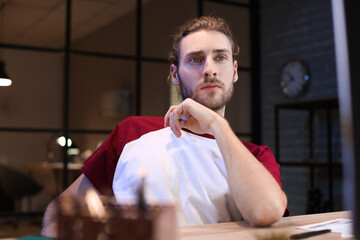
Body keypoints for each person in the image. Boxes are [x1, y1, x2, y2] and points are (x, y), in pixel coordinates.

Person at [41, 16, 287, 237]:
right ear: (175, 74)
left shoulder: (255, 155)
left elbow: (265, 212)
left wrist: (216, 124)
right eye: (195, 59)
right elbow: (57, 213)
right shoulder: (133, 132)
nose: (209, 69)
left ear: (234, 71)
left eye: (220, 57)